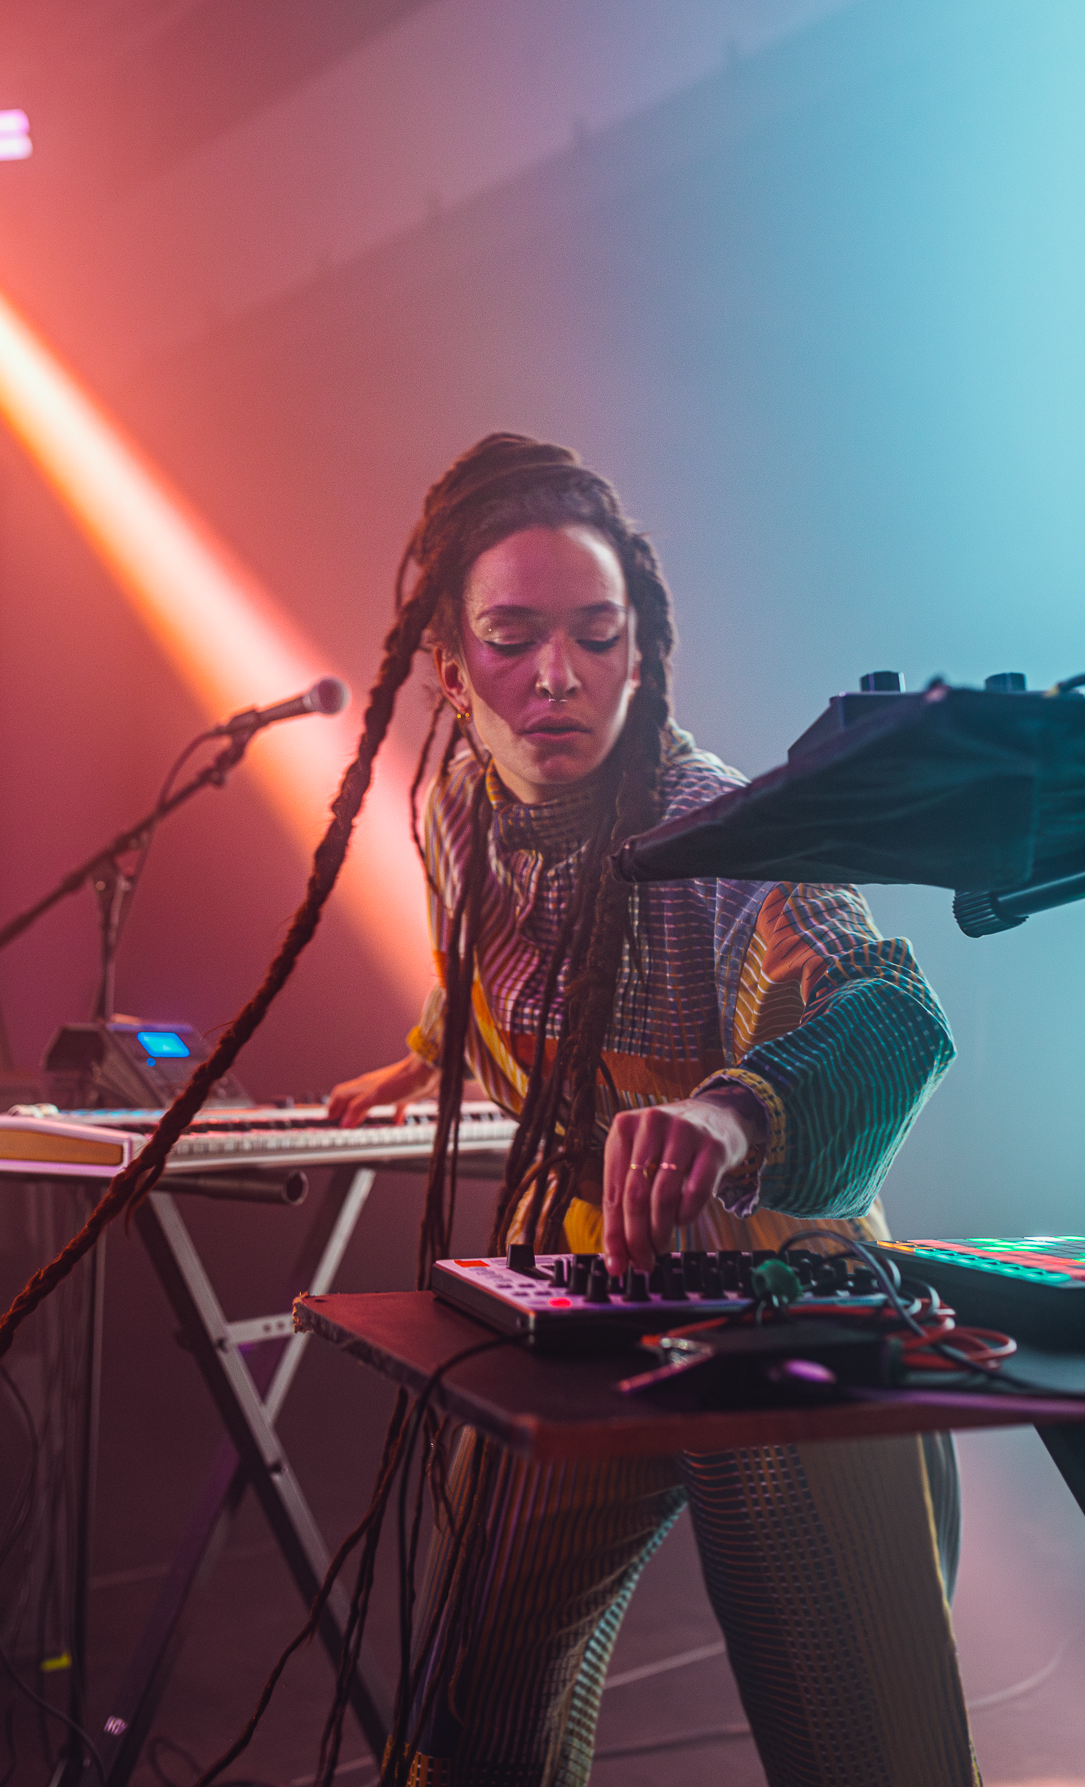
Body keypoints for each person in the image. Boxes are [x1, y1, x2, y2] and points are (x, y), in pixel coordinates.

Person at [328, 433, 976, 1787]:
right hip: (584, 1286)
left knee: (868, 1744)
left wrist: (736, 1116)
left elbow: (895, 1011)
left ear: (640, 648)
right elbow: (492, 976)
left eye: (596, 633)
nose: (557, 675)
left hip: (787, 1311)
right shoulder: (454, 806)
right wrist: (425, 1054)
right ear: (449, 665)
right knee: (474, 1707)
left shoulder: (724, 834)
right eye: (513, 638)